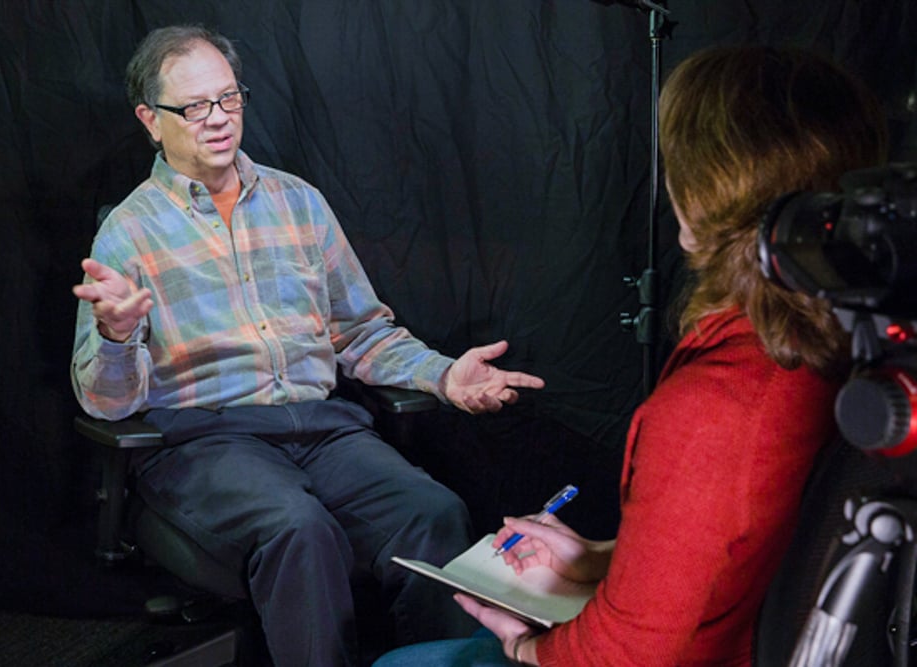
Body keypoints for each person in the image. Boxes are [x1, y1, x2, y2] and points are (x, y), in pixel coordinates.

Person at [373, 45, 888, 667]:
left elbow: (630, 652)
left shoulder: (718, 403)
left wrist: (525, 646)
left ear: (708, 187)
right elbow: (743, 543)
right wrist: (599, 558)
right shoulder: (849, 348)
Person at [71, 24, 545, 667]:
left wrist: (442, 376)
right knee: (299, 529)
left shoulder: (299, 203)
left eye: (229, 98)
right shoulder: (129, 232)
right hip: (207, 441)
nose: (219, 119)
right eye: (195, 107)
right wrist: (117, 335)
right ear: (151, 120)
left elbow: (361, 331)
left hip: (323, 430)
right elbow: (105, 404)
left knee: (432, 511)